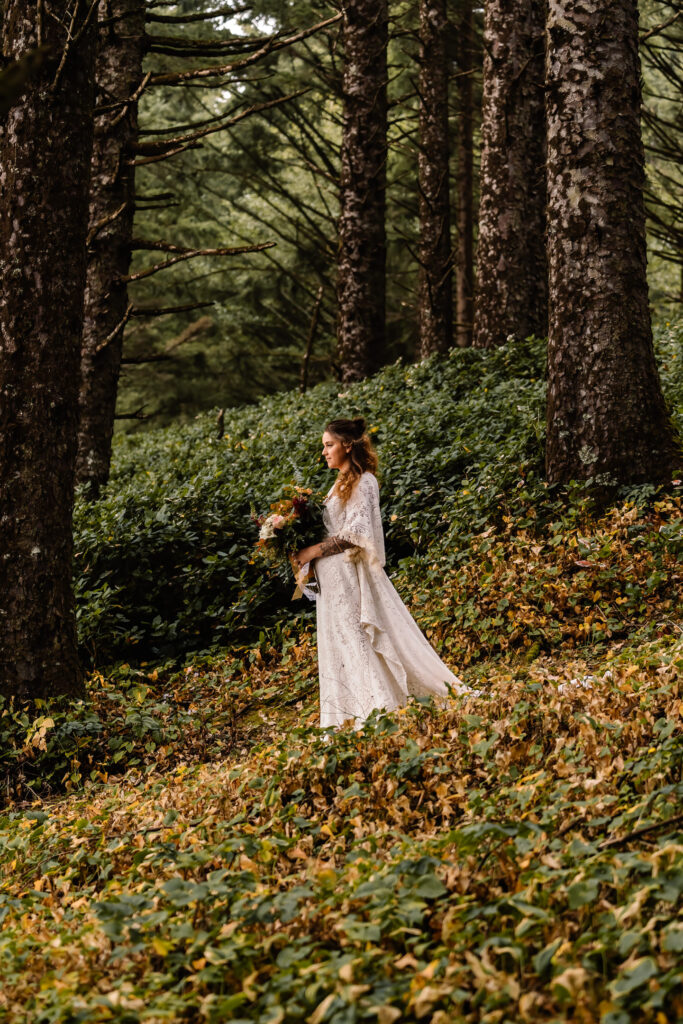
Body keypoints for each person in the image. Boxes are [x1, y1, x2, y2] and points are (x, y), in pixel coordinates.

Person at [294, 416, 469, 730]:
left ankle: (379, 708)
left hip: (350, 576)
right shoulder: (337, 484)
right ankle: (348, 713)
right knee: (342, 643)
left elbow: (355, 533)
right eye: (324, 446)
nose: (324, 452)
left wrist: (312, 551)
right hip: (331, 581)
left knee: (360, 640)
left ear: (348, 445)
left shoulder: (365, 481)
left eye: (329, 445)